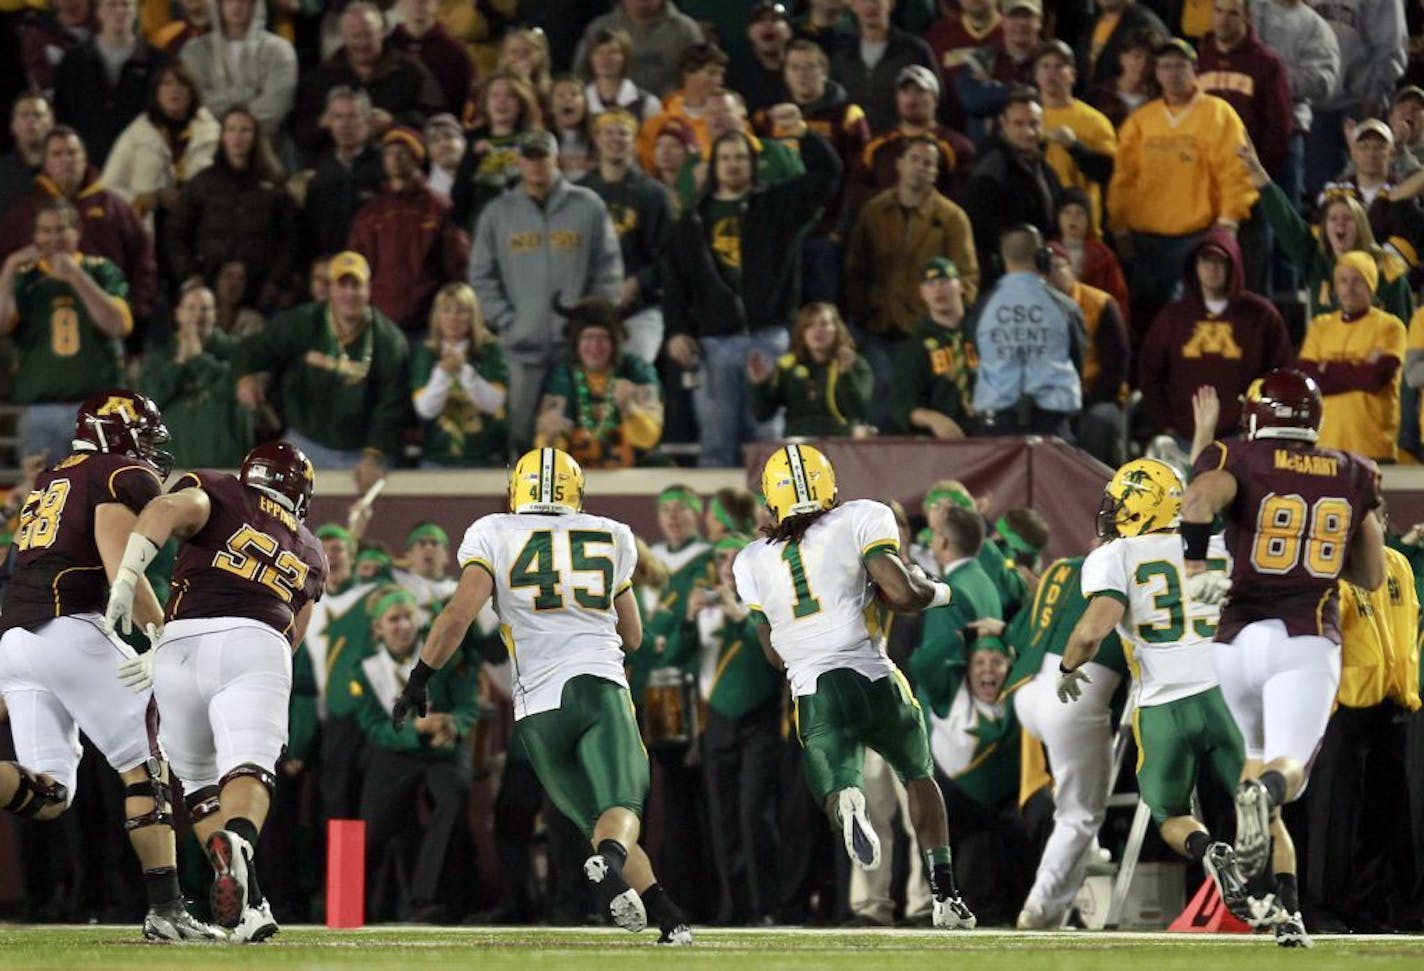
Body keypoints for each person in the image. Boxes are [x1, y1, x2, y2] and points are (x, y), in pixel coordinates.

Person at [389, 446, 696, 945]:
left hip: (535, 710)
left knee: (600, 825)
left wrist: (419, 677)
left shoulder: (492, 531)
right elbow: (634, 636)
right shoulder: (612, 534)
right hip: (597, 688)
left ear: (518, 489)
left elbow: (458, 616)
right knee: (623, 808)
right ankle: (613, 864)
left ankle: (666, 914)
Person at [0, 390, 220, 943]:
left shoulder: (53, 477)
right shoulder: (110, 472)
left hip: (16, 641)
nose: (149, 450)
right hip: (67, 628)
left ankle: (166, 910)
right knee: (148, 760)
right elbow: (122, 564)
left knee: (50, 795)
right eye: (144, 436)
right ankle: (167, 910)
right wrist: (162, 631)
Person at [731, 442, 976, 929]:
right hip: (871, 672)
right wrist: (937, 591)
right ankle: (945, 895)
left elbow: (774, 654)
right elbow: (903, 593)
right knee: (917, 774)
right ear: (830, 487)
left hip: (810, 686)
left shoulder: (750, 560)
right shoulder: (861, 516)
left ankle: (847, 801)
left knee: (837, 777)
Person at [1182, 367, 1387, 948]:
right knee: (1286, 777)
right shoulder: (1351, 472)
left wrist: (1195, 568)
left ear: (1254, 414)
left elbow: (1198, 497)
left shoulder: (1238, 457)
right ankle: (1266, 798)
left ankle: (1284, 907)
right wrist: (1319, 553)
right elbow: (1371, 575)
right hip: (1302, 637)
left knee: (1256, 771)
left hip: (1232, 644)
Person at [103, 439, 327, 942]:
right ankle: (241, 844)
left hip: (179, 643)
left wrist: (128, 576)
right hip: (258, 640)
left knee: (200, 784)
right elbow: (294, 634)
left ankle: (253, 906)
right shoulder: (311, 548)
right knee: (248, 766)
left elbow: (164, 508)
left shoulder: (221, 489)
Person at [1057, 458, 1271, 929]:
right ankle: (1277, 906)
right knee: (1259, 805)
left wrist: (1068, 665)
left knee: (1169, 812)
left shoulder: (1116, 556)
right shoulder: (1218, 545)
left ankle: (1207, 849)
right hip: (1228, 694)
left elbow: (1093, 629)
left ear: (1138, 505)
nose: (1112, 511)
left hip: (1163, 705)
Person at [662, 123, 842, 466]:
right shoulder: (692, 220)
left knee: (771, 446)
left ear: (754, 164)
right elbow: (675, 284)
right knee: (717, 442)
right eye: (726, 158)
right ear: (714, 165)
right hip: (714, 342)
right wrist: (677, 330)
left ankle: (776, 516)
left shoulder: (776, 206)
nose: (733, 164)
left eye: (741, 158)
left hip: (769, 336)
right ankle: (721, 518)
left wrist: (804, 134)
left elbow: (828, 174)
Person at [468, 129, 624, 453]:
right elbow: (481, 277)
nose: (537, 164)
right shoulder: (498, 213)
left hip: (578, 350)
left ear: (557, 159)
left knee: (584, 435)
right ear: (519, 162)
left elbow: (608, 269)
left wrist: (591, 321)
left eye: (543, 156)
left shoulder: (588, 206)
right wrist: (508, 321)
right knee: (521, 435)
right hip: (522, 348)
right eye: (530, 157)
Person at [1108, 38, 1258, 328]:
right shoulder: (1142, 119)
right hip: (1146, 238)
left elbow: (1235, 170)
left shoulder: (1217, 113)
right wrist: (1119, 224)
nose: (1172, 72)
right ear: (1156, 72)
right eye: (1165, 65)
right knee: (1147, 317)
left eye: (1180, 65)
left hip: (1197, 234)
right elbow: (1123, 177)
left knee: (1194, 316)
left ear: (1194, 69)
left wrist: (1229, 219)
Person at [350, 584, 475, 922]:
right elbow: (373, 726)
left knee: (452, 798)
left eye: (409, 617)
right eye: (394, 619)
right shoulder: (364, 669)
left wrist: (454, 726)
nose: (404, 625)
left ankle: (427, 901)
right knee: (374, 828)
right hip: (395, 750)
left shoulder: (443, 653)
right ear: (378, 628)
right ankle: (356, 908)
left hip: (443, 750)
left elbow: (468, 705)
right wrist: (413, 730)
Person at [233, 250, 410, 481]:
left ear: (369, 289)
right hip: (306, 441)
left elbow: (392, 406)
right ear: (331, 290)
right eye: (342, 285)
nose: (349, 293)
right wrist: (246, 378)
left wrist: (374, 456)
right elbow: (250, 349)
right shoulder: (303, 322)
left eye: (356, 286)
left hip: (362, 452)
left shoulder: (390, 341)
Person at [845, 133, 979, 410]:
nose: (920, 166)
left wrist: (944, 318)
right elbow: (855, 270)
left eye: (929, 163)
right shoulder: (874, 211)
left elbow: (967, 278)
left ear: (936, 172)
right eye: (914, 159)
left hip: (929, 335)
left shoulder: (952, 218)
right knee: (878, 408)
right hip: (880, 330)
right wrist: (865, 308)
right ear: (899, 164)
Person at [0, 199, 134, 463]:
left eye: (61, 229)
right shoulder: (24, 277)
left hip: (99, 409)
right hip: (40, 410)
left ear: (77, 231)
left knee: (103, 495)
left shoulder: (101, 269)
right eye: (46, 231)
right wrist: (8, 269)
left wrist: (76, 277)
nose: (54, 238)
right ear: (35, 235)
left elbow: (117, 326)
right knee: (46, 496)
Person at [1137, 230, 1294, 445]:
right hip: (1183, 437)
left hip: (1245, 439)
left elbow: (1281, 374)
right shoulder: (1173, 316)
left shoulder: (1261, 315)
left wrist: (1263, 424)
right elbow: (1149, 373)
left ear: (1234, 266)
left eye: (1221, 261)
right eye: (1206, 260)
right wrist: (1166, 424)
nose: (1212, 268)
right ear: (1195, 265)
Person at [0, 126, 158, 324]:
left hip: (106, 320)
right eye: (57, 154)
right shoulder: (25, 212)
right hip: (39, 324)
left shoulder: (114, 207)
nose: (65, 160)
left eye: (72, 153)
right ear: (45, 162)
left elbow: (142, 258)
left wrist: (137, 310)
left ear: (84, 159)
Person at [165, 104, 298, 311]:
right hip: (208, 289)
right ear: (222, 136)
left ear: (256, 136)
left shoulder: (275, 186)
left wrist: (275, 282)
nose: (238, 137)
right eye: (231, 129)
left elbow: (292, 238)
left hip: (259, 291)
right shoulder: (202, 183)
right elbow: (175, 232)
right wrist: (189, 276)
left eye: (245, 130)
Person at [347, 126, 470, 334]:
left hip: (429, 322)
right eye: (389, 153)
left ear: (416, 158)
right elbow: (356, 266)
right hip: (380, 322)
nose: (395, 159)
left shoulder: (438, 207)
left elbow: (457, 263)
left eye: (402, 153)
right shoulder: (370, 213)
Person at [966, 225, 1085, 438]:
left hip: (997, 422)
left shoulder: (983, 307)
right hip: (1052, 422)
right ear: (1042, 256)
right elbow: (1077, 357)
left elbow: (977, 352)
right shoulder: (1064, 307)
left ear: (1000, 259)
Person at [581, 108, 676, 366]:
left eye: (623, 133)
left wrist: (637, 282)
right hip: (591, 311)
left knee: (635, 373)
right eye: (608, 133)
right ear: (597, 139)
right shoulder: (579, 193)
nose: (615, 139)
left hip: (641, 310)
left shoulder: (655, 195)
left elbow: (671, 256)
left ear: (634, 142)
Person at [291, 1, 444, 159]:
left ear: (382, 32)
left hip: (397, 164)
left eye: (368, 34)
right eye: (355, 36)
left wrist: (394, 122)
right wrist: (323, 123)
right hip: (335, 170)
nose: (363, 43)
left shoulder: (411, 71)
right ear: (343, 37)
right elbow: (300, 133)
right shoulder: (320, 77)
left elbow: (436, 119)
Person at [1295, 253, 1408, 463]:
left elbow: (1374, 379)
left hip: (1374, 448)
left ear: (1371, 285)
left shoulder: (1390, 326)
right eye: (1343, 281)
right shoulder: (1321, 326)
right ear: (1336, 288)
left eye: (1357, 280)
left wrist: (1327, 368)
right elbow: (1308, 379)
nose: (1349, 288)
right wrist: (1359, 368)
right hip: (1325, 447)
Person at [533, 296, 663, 469]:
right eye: (588, 337)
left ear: (616, 342)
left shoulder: (637, 371)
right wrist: (550, 437)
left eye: (604, 338)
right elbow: (548, 451)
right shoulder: (562, 375)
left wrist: (630, 408)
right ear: (576, 342)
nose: (595, 346)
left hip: (631, 472)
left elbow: (648, 439)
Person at [139, 280, 256, 468]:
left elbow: (238, 390)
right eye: (191, 308)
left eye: (205, 309)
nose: (198, 315)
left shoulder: (236, 351)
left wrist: (198, 359)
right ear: (178, 313)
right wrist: (178, 365)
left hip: (225, 467)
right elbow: (145, 405)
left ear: (215, 314)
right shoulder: (160, 356)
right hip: (173, 467)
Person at [100, 63, 220, 230]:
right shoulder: (137, 134)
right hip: (150, 227)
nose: (174, 90)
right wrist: (147, 198)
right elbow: (108, 187)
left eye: (182, 84)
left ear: (192, 92)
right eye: (167, 83)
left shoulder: (212, 133)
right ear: (156, 92)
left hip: (202, 224)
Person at [963, 86, 1062, 286]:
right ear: (1003, 124)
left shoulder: (1043, 165)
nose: (1028, 132)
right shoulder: (991, 169)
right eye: (1019, 124)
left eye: (1034, 123)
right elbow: (983, 234)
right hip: (1005, 278)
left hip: (1039, 272)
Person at [52, 0, 168, 166]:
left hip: (143, 163)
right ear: (99, 11)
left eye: (126, 4)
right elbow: (63, 114)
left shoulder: (157, 61)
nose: (120, 10)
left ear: (136, 11)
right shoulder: (74, 62)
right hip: (89, 166)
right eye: (112, 4)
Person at [411, 281, 509, 468]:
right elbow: (425, 409)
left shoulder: (490, 350)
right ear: (437, 316)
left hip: (484, 459)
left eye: (462, 310)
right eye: (446, 310)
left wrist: (464, 371)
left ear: (474, 315)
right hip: (437, 459)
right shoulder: (426, 352)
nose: (453, 318)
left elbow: (493, 403)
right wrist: (443, 373)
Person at [747, 301, 873, 438]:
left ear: (837, 329)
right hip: (799, 445)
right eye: (809, 325)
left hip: (842, 444)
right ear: (802, 332)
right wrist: (760, 384)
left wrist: (845, 375)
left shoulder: (856, 365)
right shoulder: (788, 366)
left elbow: (858, 412)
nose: (817, 330)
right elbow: (762, 415)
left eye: (824, 324)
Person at [178, 0, 297, 141]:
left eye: (244, 1)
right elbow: (196, 101)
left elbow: (276, 105)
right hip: (207, 144)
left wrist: (240, 132)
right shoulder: (194, 51)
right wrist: (245, 93)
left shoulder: (279, 50)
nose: (236, 6)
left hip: (266, 145)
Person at [449, 71, 545, 233]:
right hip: (481, 232)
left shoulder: (535, 142)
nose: (501, 101)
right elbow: (458, 200)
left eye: (510, 96)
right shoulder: (472, 142)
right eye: (494, 95)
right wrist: (472, 159)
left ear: (521, 104)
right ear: (485, 103)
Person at [892, 257, 976, 439]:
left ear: (961, 286)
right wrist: (933, 419)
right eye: (930, 284)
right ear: (922, 293)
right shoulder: (915, 347)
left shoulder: (982, 331)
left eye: (945, 281)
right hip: (943, 442)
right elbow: (904, 405)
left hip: (992, 434)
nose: (938, 289)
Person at [829, 0, 938, 134]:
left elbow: (937, 100)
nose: (870, 6)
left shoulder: (914, 50)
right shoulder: (840, 53)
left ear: (891, 3)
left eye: (877, 1)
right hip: (853, 142)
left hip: (901, 142)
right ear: (853, 5)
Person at [574, 0, 705, 98]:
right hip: (608, 122)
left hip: (671, 120)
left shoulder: (685, 30)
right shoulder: (599, 28)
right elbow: (580, 77)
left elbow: (702, 80)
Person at [387, 0, 475, 117]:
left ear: (438, 2)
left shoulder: (455, 52)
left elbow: (466, 101)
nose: (418, 2)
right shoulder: (387, 47)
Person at [583, 26, 664, 123]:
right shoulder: (581, 102)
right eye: (599, 52)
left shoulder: (647, 104)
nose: (605, 58)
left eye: (612, 52)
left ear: (625, 58)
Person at [0, 93, 54, 217]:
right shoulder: (2, 173)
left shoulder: (67, 168)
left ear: (52, 123)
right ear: (13, 126)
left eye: (38, 115)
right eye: (24, 115)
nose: (32, 120)